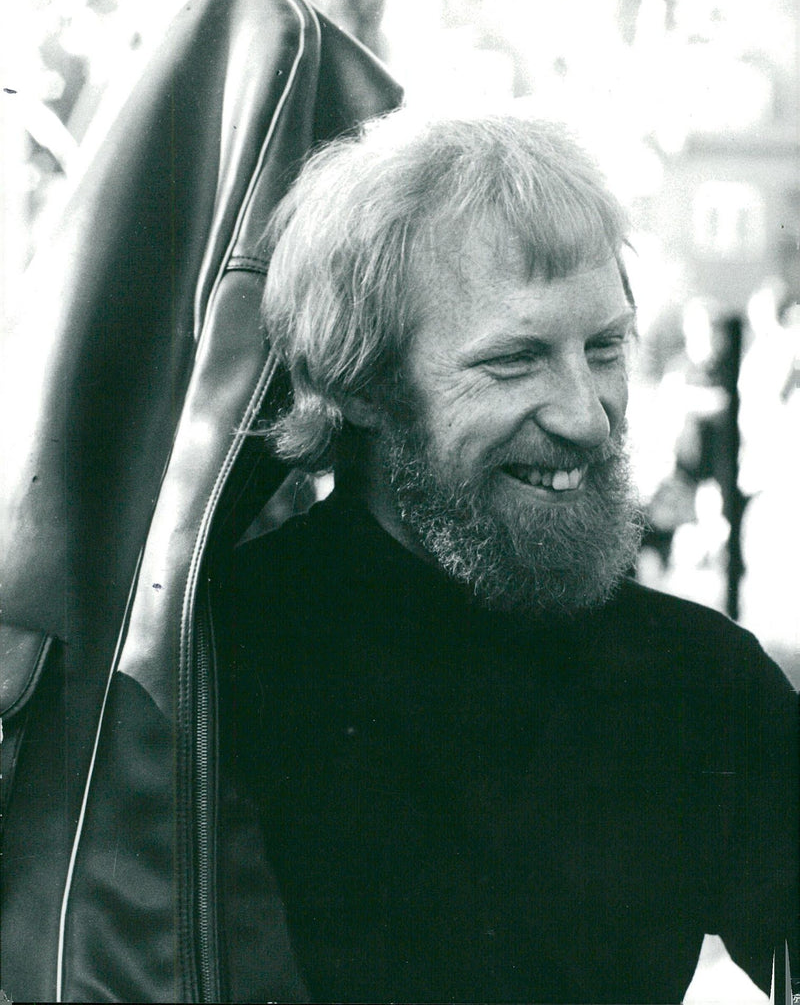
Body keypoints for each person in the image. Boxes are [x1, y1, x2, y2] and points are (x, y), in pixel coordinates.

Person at [214, 113, 798, 1004]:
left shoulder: (699, 683)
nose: (589, 416)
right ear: (356, 382)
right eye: (515, 360)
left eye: (605, 347)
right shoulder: (212, 666)